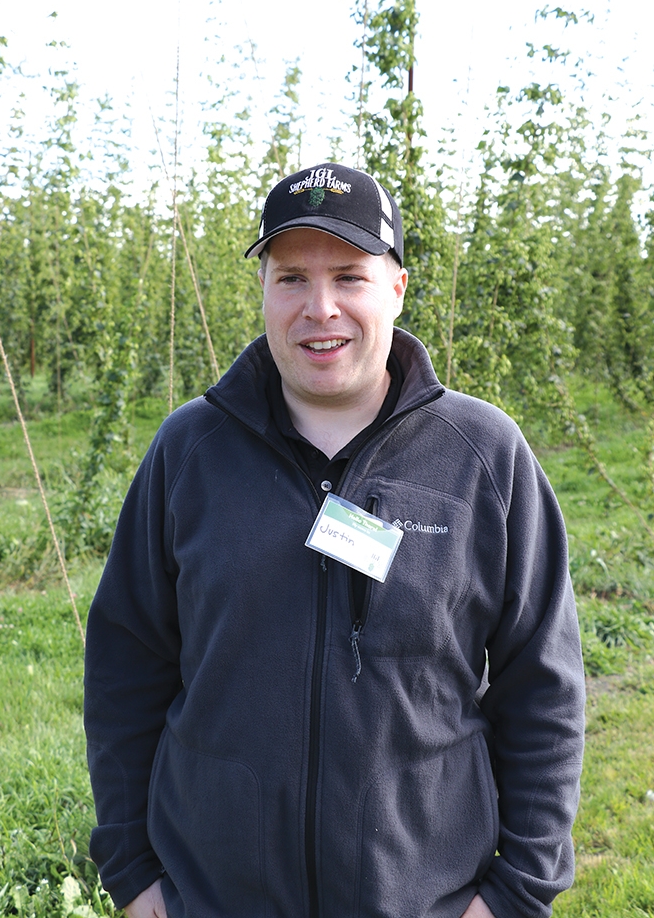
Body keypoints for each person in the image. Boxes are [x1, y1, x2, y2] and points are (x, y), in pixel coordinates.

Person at [84, 163, 585, 918]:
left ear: (397, 288)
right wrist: (131, 868)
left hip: (427, 901)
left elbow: (543, 687)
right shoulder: (189, 450)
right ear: (263, 291)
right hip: (211, 897)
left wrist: (517, 891)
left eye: (350, 276)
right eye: (291, 279)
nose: (320, 309)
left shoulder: (483, 455)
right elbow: (126, 665)